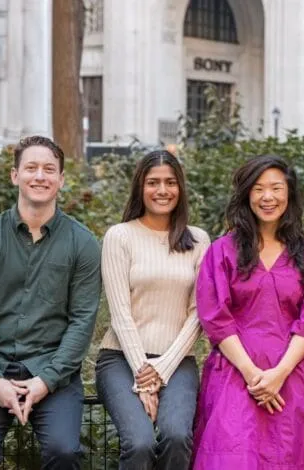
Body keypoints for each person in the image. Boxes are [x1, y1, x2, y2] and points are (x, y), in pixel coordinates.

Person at [0, 136, 102, 469]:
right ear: (14, 175)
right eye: (31, 168)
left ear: (61, 179)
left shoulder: (82, 244)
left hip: (53, 371)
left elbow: (82, 321)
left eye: (49, 169)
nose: (40, 176)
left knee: (64, 453)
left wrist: (45, 381)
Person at [192, 155, 304, 469]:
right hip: (236, 372)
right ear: (246, 194)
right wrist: (253, 376)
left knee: (293, 456)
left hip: (293, 373)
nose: (268, 197)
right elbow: (215, 316)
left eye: (276, 188)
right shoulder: (222, 251)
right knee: (232, 453)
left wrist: (279, 373)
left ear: (289, 193)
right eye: (259, 189)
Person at [95, 150, 210, 470]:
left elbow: (199, 313)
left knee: (176, 436)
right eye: (153, 182)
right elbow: (120, 312)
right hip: (120, 358)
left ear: (181, 188)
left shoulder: (199, 240)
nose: (162, 190)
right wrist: (144, 374)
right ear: (140, 188)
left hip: (178, 361)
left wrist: (161, 370)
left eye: (170, 182)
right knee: (140, 442)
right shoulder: (120, 236)